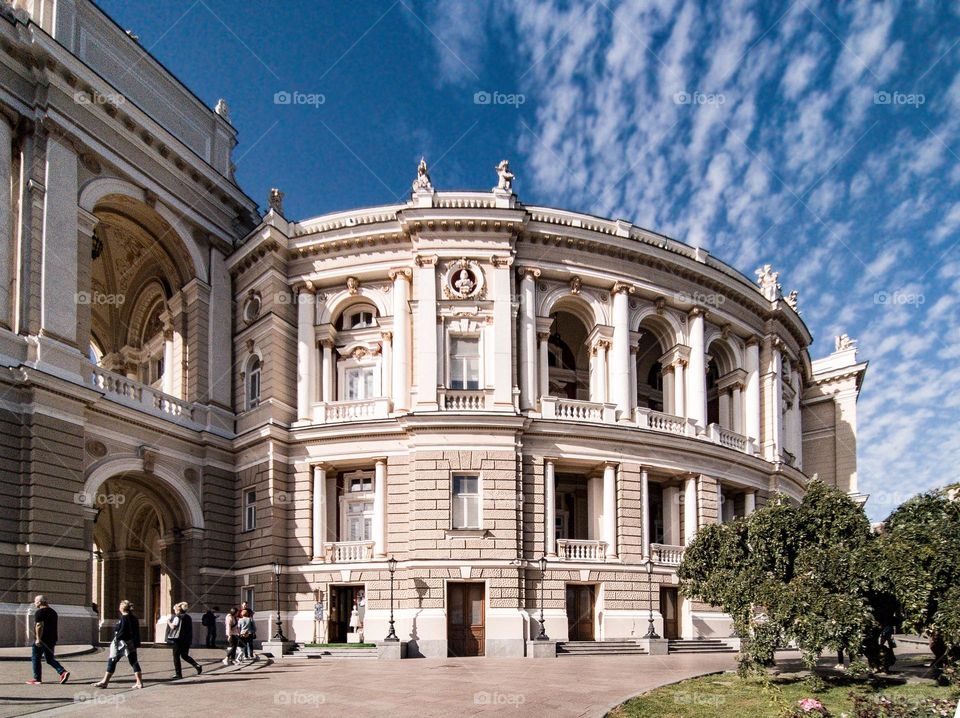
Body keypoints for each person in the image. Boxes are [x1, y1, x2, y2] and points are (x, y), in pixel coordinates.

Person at [93, 600, 143, 689]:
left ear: (122, 608)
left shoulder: (124, 618)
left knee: (112, 660)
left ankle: (105, 682)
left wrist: (116, 638)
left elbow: (122, 631)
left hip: (121, 643)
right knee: (133, 661)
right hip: (131, 642)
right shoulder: (134, 618)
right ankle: (139, 682)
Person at [26, 595, 69, 685]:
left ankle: (37, 679)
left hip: (42, 640)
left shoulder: (40, 612)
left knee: (35, 658)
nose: (34, 603)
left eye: (35, 601)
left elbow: (39, 625)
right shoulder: (53, 612)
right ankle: (62, 672)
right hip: (52, 639)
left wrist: (38, 639)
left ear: (40, 602)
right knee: (49, 659)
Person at [166, 602, 202, 679]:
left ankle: (178, 674)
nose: (174, 611)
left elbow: (173, 627)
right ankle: (196, 665)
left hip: (178, 639)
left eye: (175, 610)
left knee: (176, 656)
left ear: (178, 610)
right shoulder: (188, 617)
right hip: (187, 639)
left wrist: (168, 621)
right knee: (184, 655)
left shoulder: (177, 617)